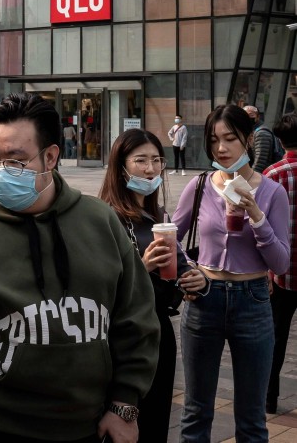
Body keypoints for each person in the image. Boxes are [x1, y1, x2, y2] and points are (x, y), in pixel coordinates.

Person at [0, 93, 160, 443]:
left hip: (93, 426)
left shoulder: (100, 223)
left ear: (51, 156)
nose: (2, 172)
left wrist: (124, 403)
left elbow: (136, 317)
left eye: (16, 161)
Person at [173, 104, 291, 442]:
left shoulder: (272, 192)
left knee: (252, 419)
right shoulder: (199, 187)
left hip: (253, 301)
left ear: (249, 139)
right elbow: (172, 237)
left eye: (230, 139)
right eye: (214, 140)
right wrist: (188, 272)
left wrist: (256, 215)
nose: (221, 148)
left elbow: (280, 263)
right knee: (196, 412)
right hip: (203, 299)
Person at [97, 129, 208, 442]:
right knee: (118, 425)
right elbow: (96, 287)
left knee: (155, 422)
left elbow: (182, 266)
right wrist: (141, 267)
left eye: (157, 160)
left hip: (157, 332)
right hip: (117, 336)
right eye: (140, 160)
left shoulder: (159, 217)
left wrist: (196, 279)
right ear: (121, 166)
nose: (150, 168)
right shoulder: (103, 217)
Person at [266, 113, 297, 414]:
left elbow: (259, 228)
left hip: (282, 274)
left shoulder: (272, 174)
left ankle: (269, 399)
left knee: (275, 339)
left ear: (279, 140)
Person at [247, 105, 284, 173]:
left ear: (258, 117)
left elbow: (260, 162)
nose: (247, 117)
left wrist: (251, 178)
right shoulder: (251, 131)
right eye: (244, 115)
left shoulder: (261, 133)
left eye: (251, 115)